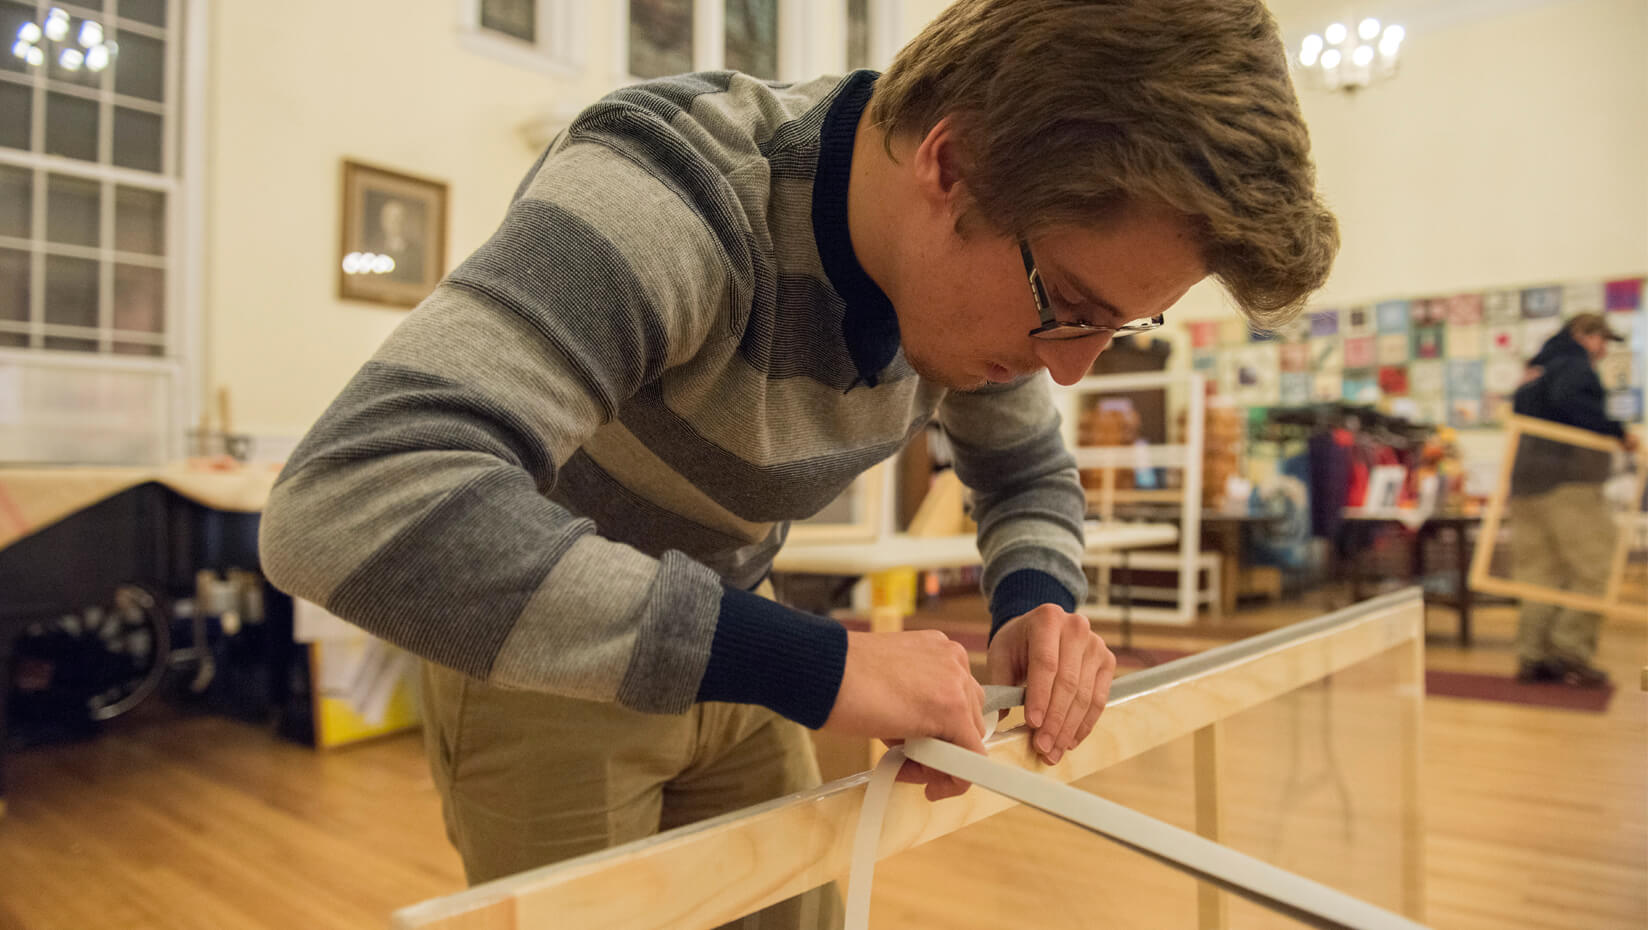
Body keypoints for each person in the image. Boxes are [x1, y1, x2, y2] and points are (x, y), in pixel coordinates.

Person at [259, 1, 1337, 924]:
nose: (1067, 369)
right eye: (1072, 307)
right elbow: (346, 500)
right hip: (544, 668)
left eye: (1123, 327)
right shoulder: (675, 193)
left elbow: (1025, 475)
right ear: (951, 166)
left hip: (740, 637)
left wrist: (1037, 602)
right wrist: (822, 667)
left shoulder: (999, 267)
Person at [1509, 312, 1638, 687]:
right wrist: (1616, 431)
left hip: (1526, 485)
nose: (1601, 352)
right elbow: (1571, 402)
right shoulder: (1573, 364)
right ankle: (1571, 654)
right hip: (1569, 482)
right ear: (1583, 335)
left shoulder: (1536, 370)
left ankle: (1533, 656)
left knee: (1538, 574)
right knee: (1597, 567)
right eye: (1601, 341)